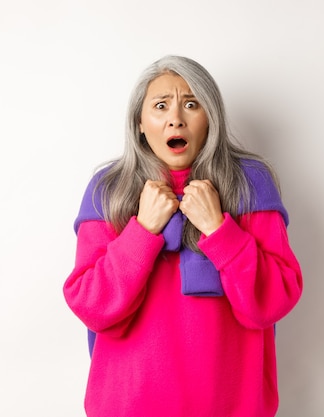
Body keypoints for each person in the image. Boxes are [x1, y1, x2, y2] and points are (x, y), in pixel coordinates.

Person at [63, 55, 303, 417]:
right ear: (140, 124)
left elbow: (273, 301)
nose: (176, 117)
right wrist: (142, 231)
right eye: (161, 106)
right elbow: (92, 307)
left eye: (191, 104)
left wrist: (220, 231)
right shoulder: (108, 190)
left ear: (211, 118)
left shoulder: (250, 183)